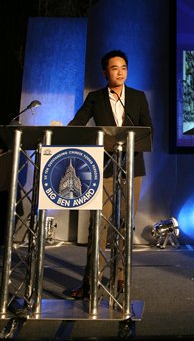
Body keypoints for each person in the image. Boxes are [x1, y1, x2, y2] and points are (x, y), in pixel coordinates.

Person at [67, 49, 153, 299]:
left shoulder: (137, 97)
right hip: (104, 169)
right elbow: (78, 124)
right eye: (115, 68)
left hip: (132, 168)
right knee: (99, 226)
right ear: (105, 72)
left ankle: (120, 279)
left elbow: (148, 130)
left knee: (124, 225)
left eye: (124, 67)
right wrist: (60, 135)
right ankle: (90, 281)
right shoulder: (95, 98)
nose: (120, 72)